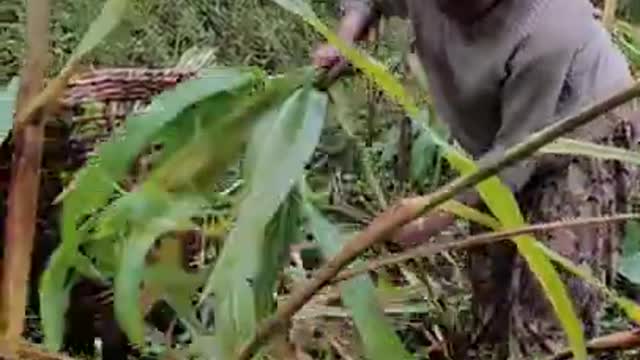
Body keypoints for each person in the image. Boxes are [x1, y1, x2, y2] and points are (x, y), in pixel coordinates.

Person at [313, 0, 640, 358]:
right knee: (491, 293)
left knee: (550, 314)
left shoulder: (549, 26)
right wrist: (346, 36)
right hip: (499, 143)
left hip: (583, 134)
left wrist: (430, 217)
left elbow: (514, 159)